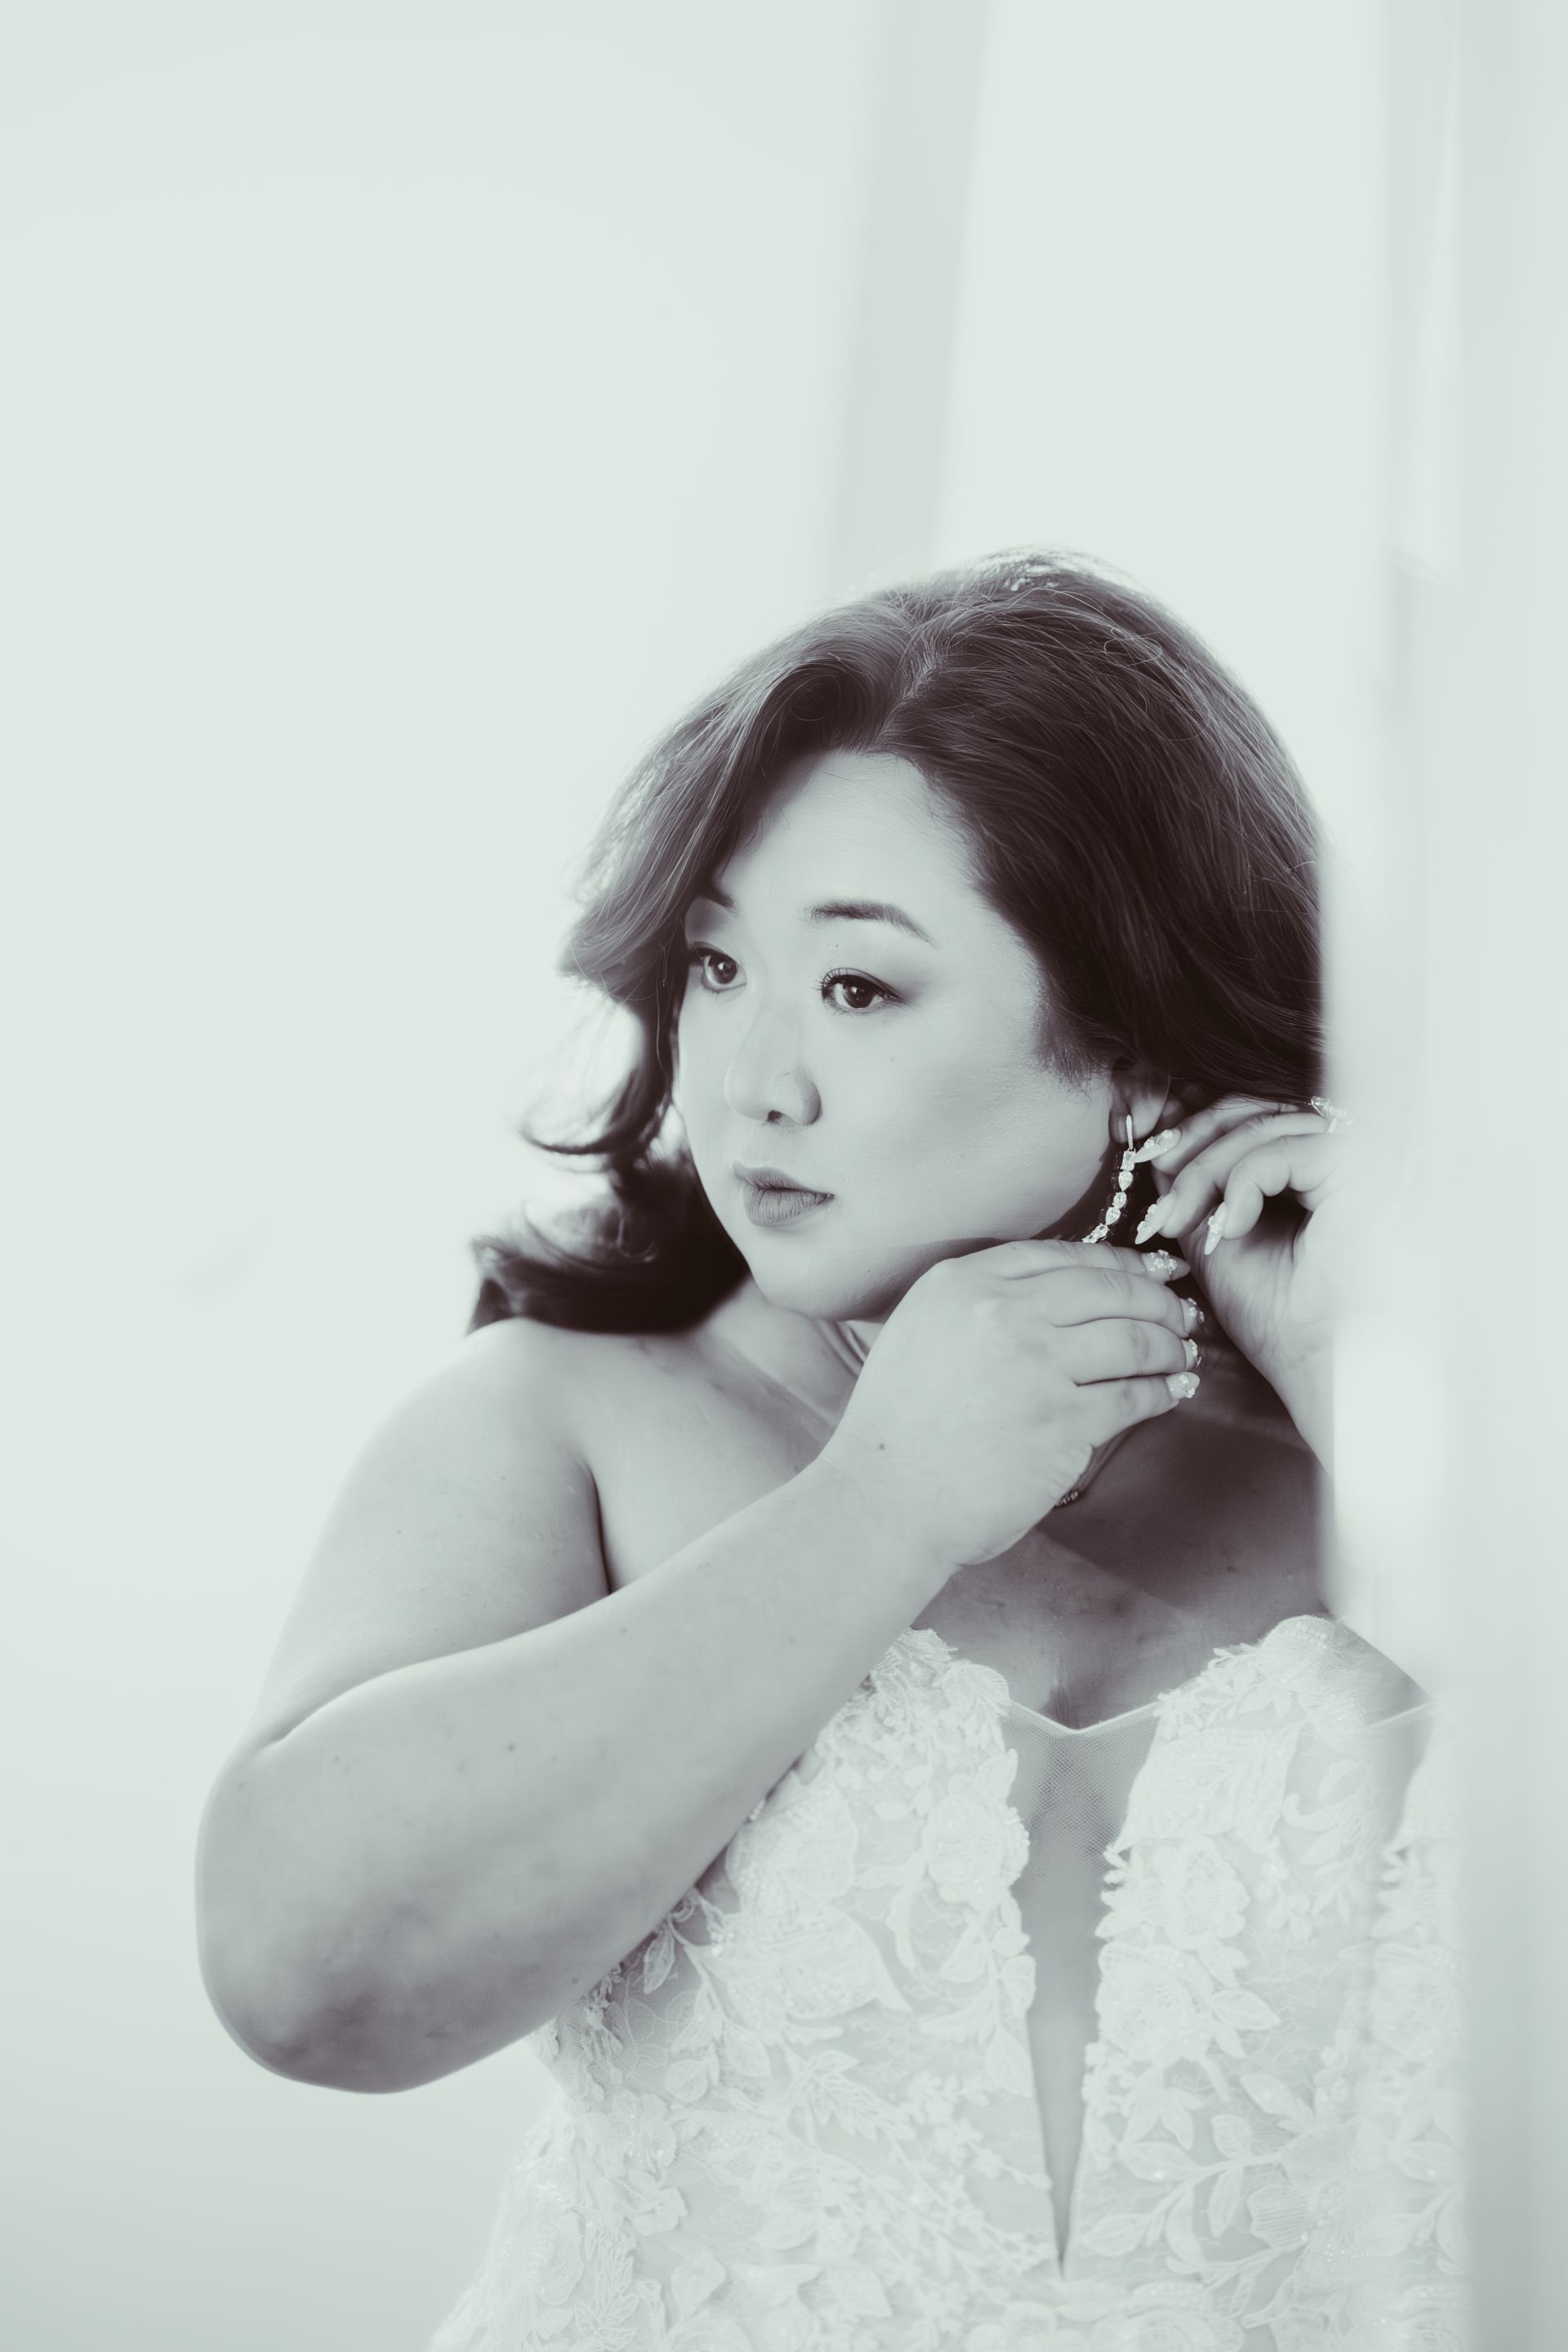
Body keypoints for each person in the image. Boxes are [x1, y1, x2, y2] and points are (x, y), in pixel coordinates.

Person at [195, 553, 1463, 2350]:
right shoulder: (563, 1421)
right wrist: (883, 1505)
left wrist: (1377, 1390)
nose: (752, 1082)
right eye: (717, 966)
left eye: (860, 991)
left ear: (1129, 1030)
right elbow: (301, 1981)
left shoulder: (1423, 1481)